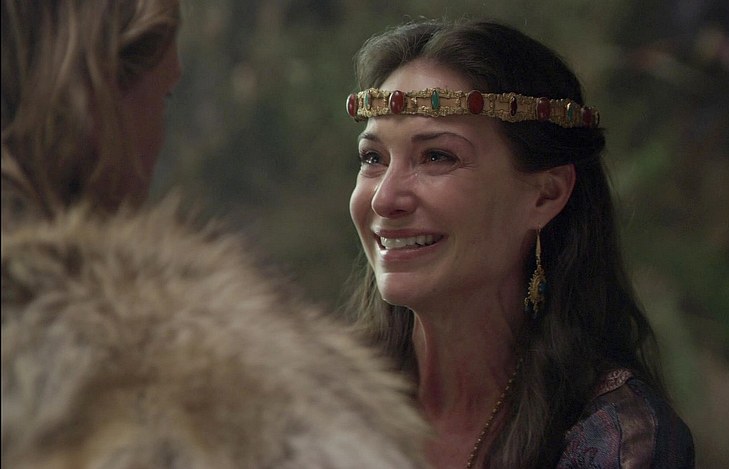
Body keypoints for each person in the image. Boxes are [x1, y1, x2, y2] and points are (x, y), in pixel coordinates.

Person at [1, 1, 426, 467]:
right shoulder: (227, 399)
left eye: (437, 158)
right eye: (165, 97)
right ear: (93, 104)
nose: (386, 199)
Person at [343, 18, 695, 468]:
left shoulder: (616, 440)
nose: (385, 198)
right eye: (373, 158)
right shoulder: (306, 404)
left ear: (545, 195)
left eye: (436, 156)